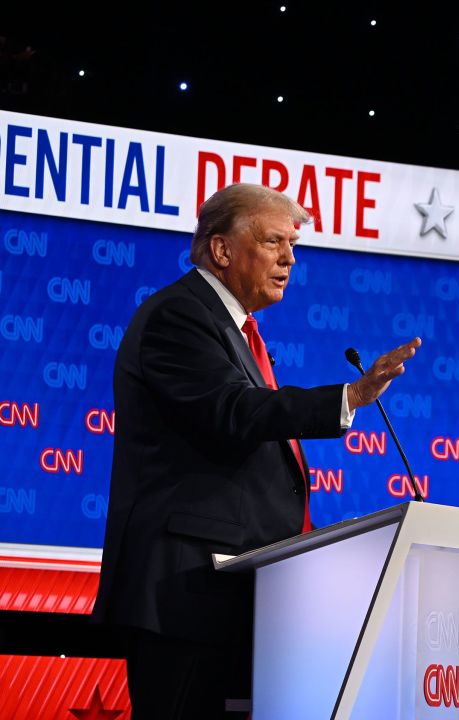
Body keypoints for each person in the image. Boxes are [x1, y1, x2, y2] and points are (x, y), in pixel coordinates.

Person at [92, 183, 422, 718]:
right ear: (222, 250)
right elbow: (234, 411)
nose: (289, 258)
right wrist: (350, 397)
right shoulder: (179, 316)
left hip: (232, 598)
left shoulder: (232, 328)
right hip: (185, 594)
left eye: (292, 245)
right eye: (273, 242)